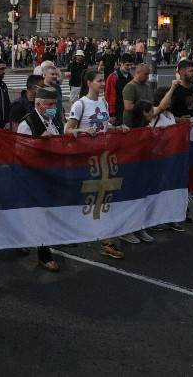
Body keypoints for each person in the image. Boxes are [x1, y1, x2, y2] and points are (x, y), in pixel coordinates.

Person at [65, 70, 131, 258]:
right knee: (89, 197)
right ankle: (77, 231)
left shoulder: (103, 102)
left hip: (104, 157)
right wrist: (84, 130)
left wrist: (117, 128)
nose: (103, 84)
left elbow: (104, 127)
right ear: (88, 83)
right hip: (87, 159)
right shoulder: (80, 104)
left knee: (104, 197)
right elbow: (68, 130)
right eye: (99, 81)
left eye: (103, 81)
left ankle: (106, 239)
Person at [16, 86, 70, 268]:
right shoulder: (28, 123)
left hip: (50, 174)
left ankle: (21, 240)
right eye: (49, 104)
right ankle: (44, 255)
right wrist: (39, 142)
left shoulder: (52, 120)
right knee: (40, 215)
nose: (53, 107)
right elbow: (20, 151)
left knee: (45, 213)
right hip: (34, 176)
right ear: (38, 104)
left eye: (54, 104)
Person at [105, 54, 134, 126]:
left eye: (131, 65)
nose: (129, 67)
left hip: (129, 112)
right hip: (117, 113)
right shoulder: (113, 77)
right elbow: (109, 96)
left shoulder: (131, 77)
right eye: (127, 65)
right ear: (121, 63)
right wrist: (111, 114)